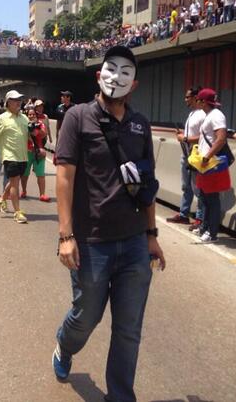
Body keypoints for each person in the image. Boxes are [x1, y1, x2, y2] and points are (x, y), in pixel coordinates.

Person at [52, 45, 166, 401]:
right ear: (99, 75)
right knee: (87, 318)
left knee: (128, 330)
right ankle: (64, 345)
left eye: (125, 73)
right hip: (91, 243)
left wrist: (151, 235)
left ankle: (119, 396)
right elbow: (64, 177)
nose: (117, 78)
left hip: (133, 243)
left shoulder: (140, 125)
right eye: (111, 70)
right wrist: (66, 235)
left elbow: (146, 183)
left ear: (134, 85)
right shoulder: (77, 117)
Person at [0, 90, 29, 224]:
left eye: (19, 100)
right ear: (8, 102)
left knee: (14, 181)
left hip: (23, 156)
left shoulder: (24, 118)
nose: (18, 102)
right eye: (15, 100)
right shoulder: (1, 119)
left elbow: (30, 135)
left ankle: (2, 199)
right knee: (15, 184)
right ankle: (17, 212)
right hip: (9, 156)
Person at [167, 87, 206, 231]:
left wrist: (185, 138)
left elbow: (204, 136)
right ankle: (184, 214)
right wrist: (183, 134)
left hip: (196, 155)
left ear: (195, 97)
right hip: (186, 153)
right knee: (186, 186)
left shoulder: (202, 115)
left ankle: (200, 218)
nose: (185, 100)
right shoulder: (192, 114)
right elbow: (192, 133)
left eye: (187, 97)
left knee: (198, 188)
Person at [195, 88, 229, 243]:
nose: (197, 102)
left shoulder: (216, 115)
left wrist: (207, 156)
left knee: (212, 198)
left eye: (198, 100)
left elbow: (221, 138)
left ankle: (212, 232)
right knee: (204, 197)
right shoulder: (209, 115)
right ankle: (205, 227)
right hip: (204, 163)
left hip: (211, 163)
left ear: (203, 102)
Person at [20, 108, 50, 202]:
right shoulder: (23, 124)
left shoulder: (40, 124)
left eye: (33, 114)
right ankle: (24, 191)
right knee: (24, 174)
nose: (31, 116)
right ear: (27, 115)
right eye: (29, 114)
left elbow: (44, 134)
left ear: (36, 116)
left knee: (40, 174)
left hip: (38, 152)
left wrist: (35, 130)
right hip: (26, 152)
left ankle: (42, 194)